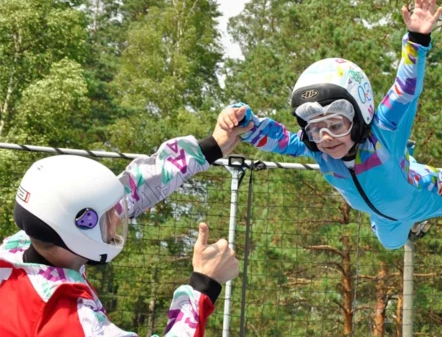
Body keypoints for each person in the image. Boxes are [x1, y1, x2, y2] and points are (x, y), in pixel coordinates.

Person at [217, 0, 442, 250]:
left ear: (361, 115)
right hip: (382, 215)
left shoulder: (382, 132)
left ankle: (410, 160)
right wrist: (247, 124)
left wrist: (416, 41)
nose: (326, 137)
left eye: (336, 125)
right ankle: (405, 180)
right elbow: (280, 140)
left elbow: (405, 91)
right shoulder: (317, 149)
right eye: (316, 129)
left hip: (424, 195)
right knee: (391, 242)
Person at [0, 119, 253, 336]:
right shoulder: (69, 320)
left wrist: (210, 146)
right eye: (108, 214)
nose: (117, 216)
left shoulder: (25, 247)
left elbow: (132, 190)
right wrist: (204, 284)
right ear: (80, 227)